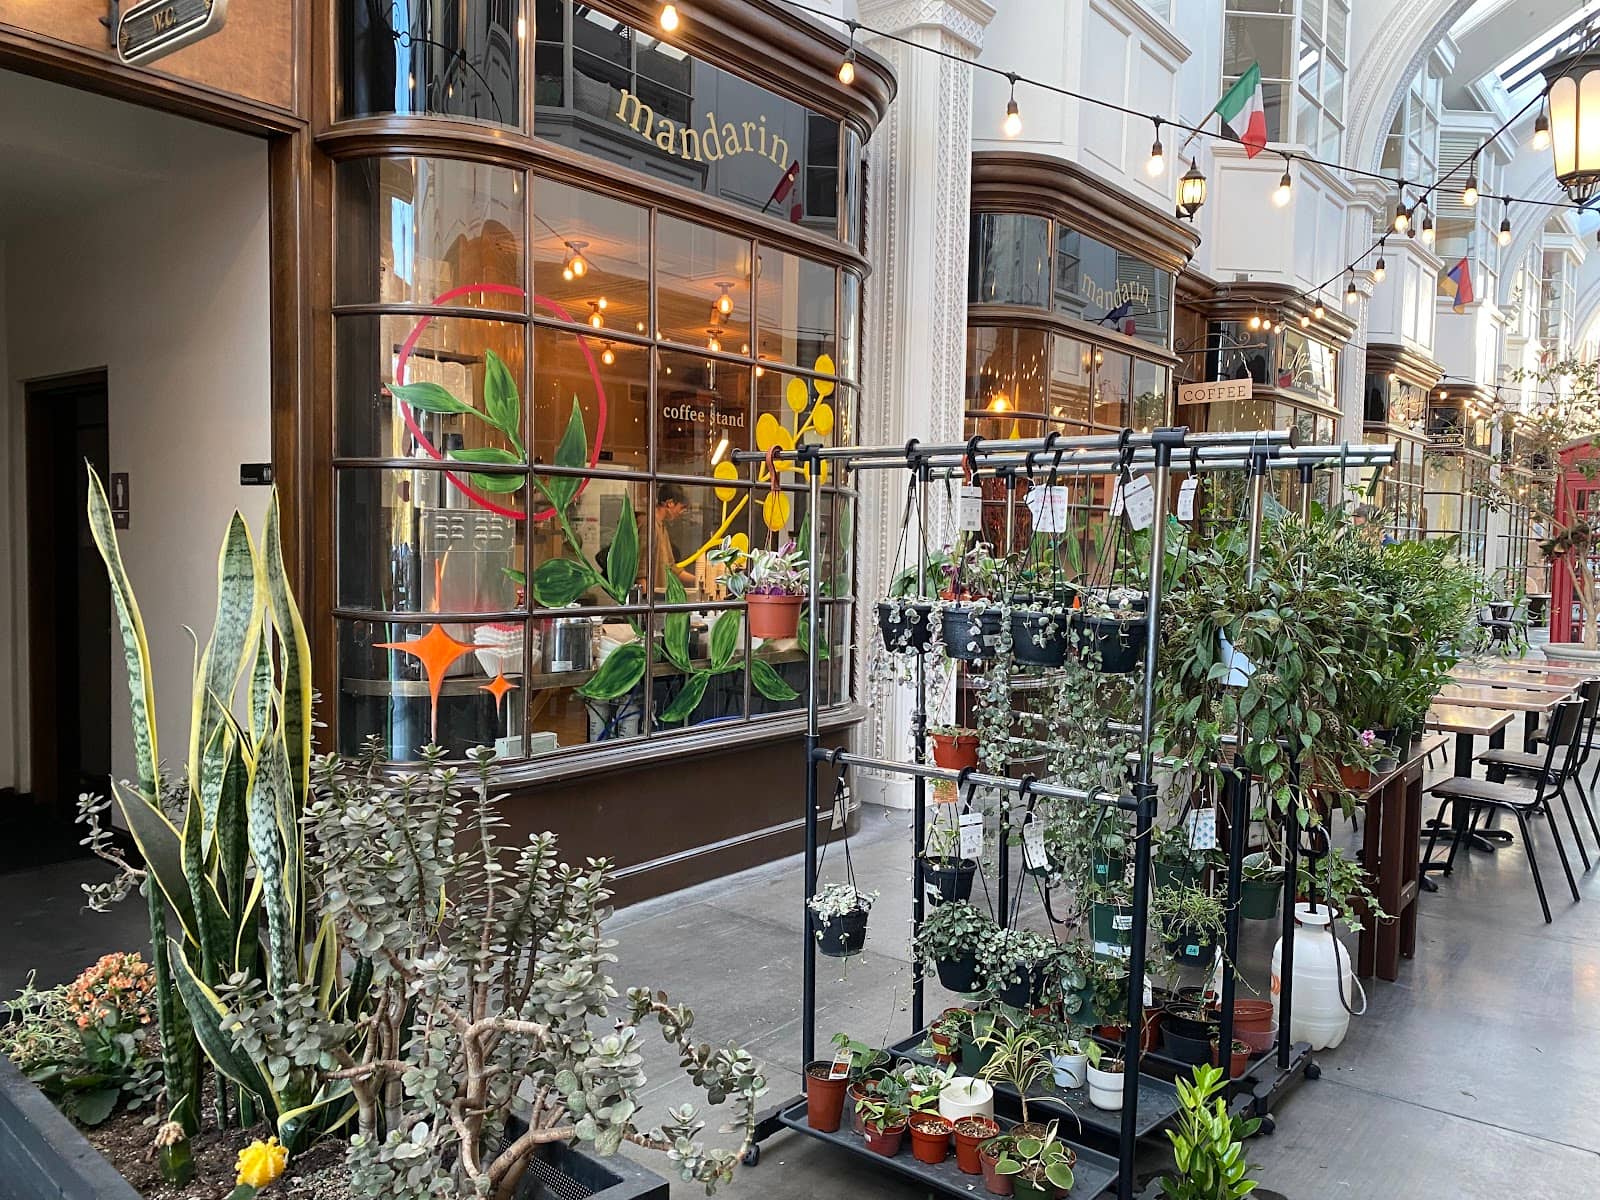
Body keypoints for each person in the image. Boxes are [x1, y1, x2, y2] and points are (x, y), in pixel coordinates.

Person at [640, 482, 697, 593]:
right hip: (652, 601)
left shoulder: (661, 527)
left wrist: (700, 580)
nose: (681, 513)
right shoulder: (649, 525)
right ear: (670, 503)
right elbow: (641, 573)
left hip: (659, 598)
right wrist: (645, 603)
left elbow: (672, 568)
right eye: (681, 508)